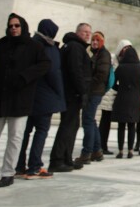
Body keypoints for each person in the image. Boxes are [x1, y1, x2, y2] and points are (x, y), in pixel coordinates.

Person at [0, 13, 50, 189]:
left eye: (17, 25)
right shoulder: (2, 44)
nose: (13, 28)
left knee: (15, 137)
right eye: (11, 25)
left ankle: (7, 173)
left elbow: (44, 64)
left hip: (19, 99)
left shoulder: (34, 46)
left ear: (23, 26)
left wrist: (24, 77)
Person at [14, 19, 65, 180]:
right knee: (41, 131)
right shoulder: (49, 48)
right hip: (45, 97)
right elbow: (54, 73)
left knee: (25, 132)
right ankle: (34, 166)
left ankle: (19, 165)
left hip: (28, 95)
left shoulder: (29, 44)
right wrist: (60, 94)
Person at [48, 23, 92, 173]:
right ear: (77, 32)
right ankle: (57, 159)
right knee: (68, 126)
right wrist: (82, 91)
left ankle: (66, 158)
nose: (87, 35)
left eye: (89, 32)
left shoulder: (73, 46)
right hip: (72, 94)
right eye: (84, 32)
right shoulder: (75, 47)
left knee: (72, 125)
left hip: (72, 93)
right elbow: (76, 70)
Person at [75, 31, 111, 165]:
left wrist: (87, 84)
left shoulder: (103, 55)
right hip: (93, 91)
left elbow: (101, 74)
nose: (94, 42)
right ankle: (97, 150)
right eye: (93, 40)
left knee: (87, 121)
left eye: (97, 40)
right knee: (90, 120)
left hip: (94, 91)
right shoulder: (96, 54)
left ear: (102, 42)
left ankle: (87, 152)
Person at [98, 39, 132, 155]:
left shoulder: (126, 61)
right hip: (109, 93)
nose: (127, 51)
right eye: (125, 48)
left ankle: (104, 145)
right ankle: (101, 145)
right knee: (105, 121)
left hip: (119, 94)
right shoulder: (112, 58)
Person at [112, 46, 140, 159]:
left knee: (121, 126)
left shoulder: (120, 67)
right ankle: (130, 150)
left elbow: (112, 82)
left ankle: (120, 150)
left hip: (121, 98)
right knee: (132, 125)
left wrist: (119, 89)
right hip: (134, 99)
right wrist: (137, 90)